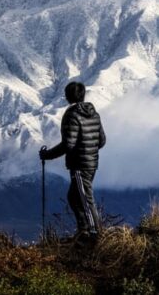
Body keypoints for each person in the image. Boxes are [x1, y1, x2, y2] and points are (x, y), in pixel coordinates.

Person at [39, 81, 106, 242]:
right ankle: (84, 231)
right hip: (92, 162)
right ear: (83, 95)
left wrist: (46, 155)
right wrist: (89, 149)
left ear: (68, 97)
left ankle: (94, 235)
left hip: (79, 165)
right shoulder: (94, 114)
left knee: (84, 198)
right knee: (74, 197)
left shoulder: (71, 115)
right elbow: (102, 141)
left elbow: (68, 144)